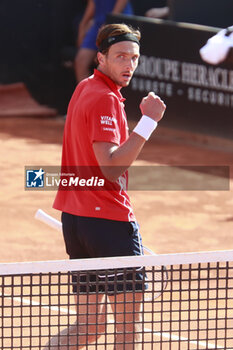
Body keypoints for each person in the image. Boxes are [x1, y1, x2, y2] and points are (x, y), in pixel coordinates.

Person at [51, 23, 166, 349]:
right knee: (127, 333)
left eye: (134, 57)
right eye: (120, 57)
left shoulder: (85, 87)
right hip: (109, 224)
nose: (128, 65)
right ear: (101, 57)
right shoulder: (105, 99)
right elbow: (113, 167)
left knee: (89, 327)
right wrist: (149, 122)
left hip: (75, 221)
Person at [75, 0, 133, 82]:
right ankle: (87, 94)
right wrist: (83, 24)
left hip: (119, 23)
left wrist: (108, 24)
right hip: (98, 23)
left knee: (110, 67)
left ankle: (109, 94)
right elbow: (92, 4)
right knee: (81, 61)